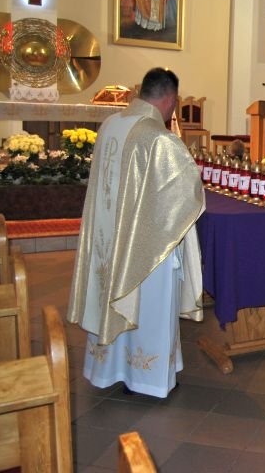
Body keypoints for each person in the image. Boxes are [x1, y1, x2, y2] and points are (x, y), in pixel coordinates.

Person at [67, 68, 204, 398]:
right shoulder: (159, 138)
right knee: (149, 308)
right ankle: (147, 378)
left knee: (110, 299)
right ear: (170, 99)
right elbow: (186, 194)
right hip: (144, 248)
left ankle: (111, 370)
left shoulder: (110, 125)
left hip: (107, 241)